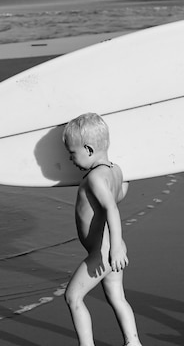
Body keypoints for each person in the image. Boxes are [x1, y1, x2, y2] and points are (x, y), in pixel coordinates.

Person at [62, 113, 142, 346]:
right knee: (117, 296)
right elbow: (119, 195)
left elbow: (111, 210)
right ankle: (133, 342)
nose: (70, 159)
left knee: (73, 297)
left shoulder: (95, 178)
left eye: (72, 153)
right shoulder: (114, 171)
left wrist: (115, 250)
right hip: (111, 248)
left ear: (88, 149)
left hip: (104, 251)